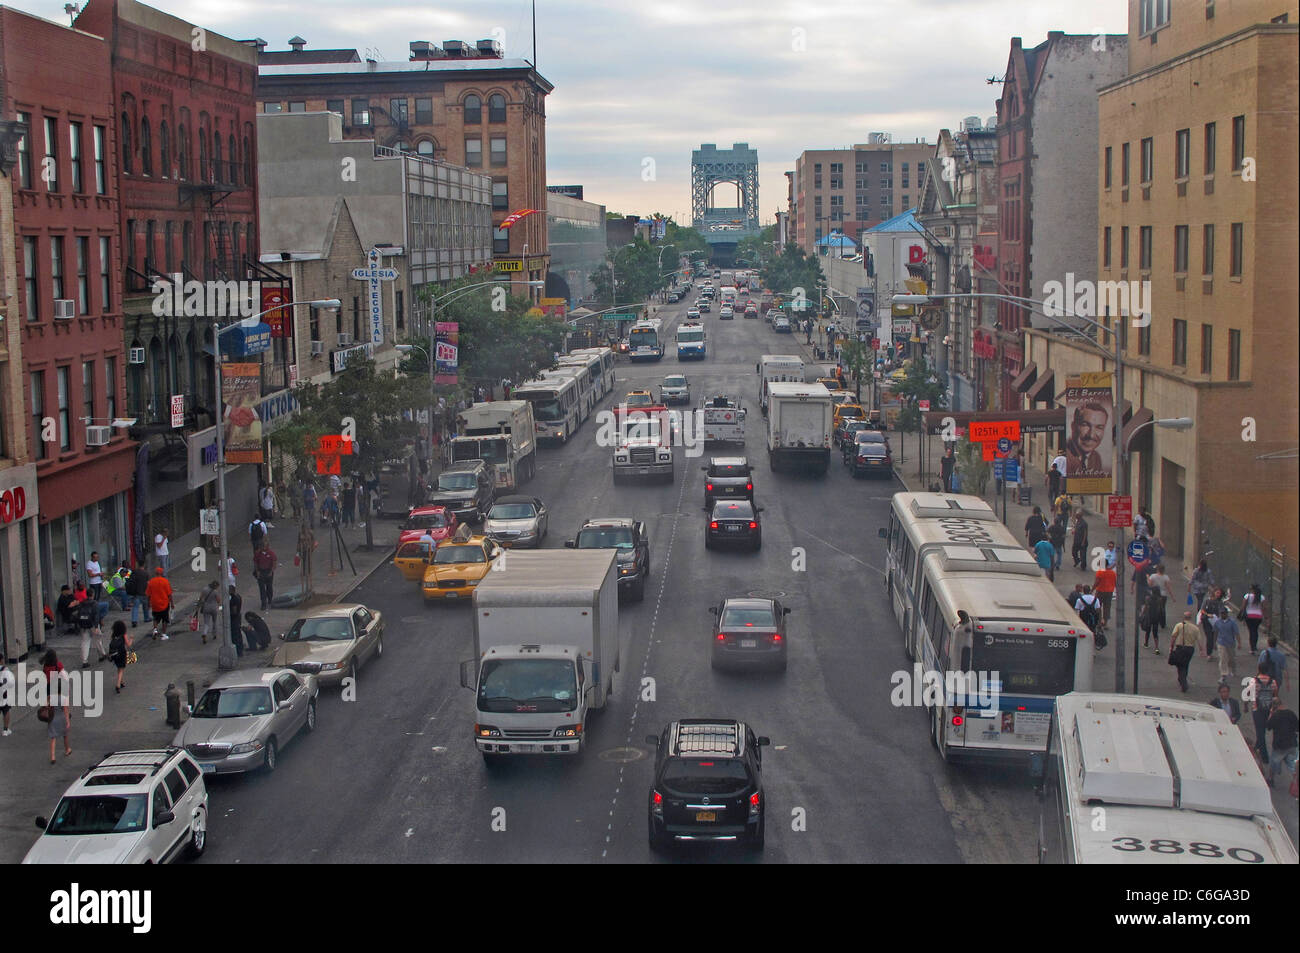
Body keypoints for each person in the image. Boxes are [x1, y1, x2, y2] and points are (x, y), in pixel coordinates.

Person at [42, 649, 72, 763]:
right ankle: (67, 749)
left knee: (52, 704)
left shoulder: (45, 666)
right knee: (64, 705)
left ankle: (53, 756)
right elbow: (64, 675)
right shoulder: (57, 664)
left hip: (50, 686)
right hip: (58, 685)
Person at [1248, 662, 1278, 768]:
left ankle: (1264, 756)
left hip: (1257, 709)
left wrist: (1245, 705)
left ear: (1258, 669)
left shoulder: (1254, 681)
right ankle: (1257, 747)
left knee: (1260, 731)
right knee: (1262, 730)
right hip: (1268, 710)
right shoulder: (1273, 682)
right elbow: (1275, 696)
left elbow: (1248, 693)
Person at [1065, 403, 1108, 476]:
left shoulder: (1095, 457)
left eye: (1099, 427)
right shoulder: (1065, 457)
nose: (1091, 435)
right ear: (1073, 427)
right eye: (1085, 425)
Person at [1265, 697, 1298, 789]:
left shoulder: (1276, 715)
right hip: (1292, 743)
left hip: (1280, 745)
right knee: (1291, 764)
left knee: (1274, 762)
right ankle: (1296, 780)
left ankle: (1271, 779)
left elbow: (1268, 726)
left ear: (1273, 706)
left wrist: (1271, 713)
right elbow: (1297, 727)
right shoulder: (1291, 713)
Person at [72, 583, 107, 668]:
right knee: (98, 640)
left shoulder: (82, 603)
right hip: (92, 625)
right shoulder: (94, 603)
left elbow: (78, 614)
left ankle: (85, 661)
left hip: (84, 625)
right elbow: (96, 615)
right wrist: (96, 626)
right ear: (93, 594)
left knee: (85, 642)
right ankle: (102, 654)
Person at [1168, 611, 1202, 693]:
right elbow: (1199, 640)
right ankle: (1182, 679)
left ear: (1183, 617)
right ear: (1190, 618)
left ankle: (1183, 682)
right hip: (1190, 649)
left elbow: (1173, 637)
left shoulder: (1179, 625)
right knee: (1185, 664)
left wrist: (1171, 647)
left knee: (1180, 665)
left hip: (1180, 648)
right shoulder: (1195, 628)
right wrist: (1202, 650)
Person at [1211, 606, 1240, 684]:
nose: (1222, 615)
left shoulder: (1232, 622)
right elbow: (1215, 632)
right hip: (1221, 643)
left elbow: (1236, 633)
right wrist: (1214, 643)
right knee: (1223, 659)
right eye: (1221, 613)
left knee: (1231, 659)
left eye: (1224, 613)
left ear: (1227, 613)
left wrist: (1239, 643)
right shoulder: (1217, 622)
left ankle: (1233, 669)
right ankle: (1223, 675)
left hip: (1230, 643)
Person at [146, 567, 173, 641]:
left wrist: (148, 603)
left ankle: (155, 629)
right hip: (164, 603)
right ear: (161, 573)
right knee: (164, 619)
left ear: (155, 573)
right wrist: (172, 603)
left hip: (154, 603)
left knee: (155, 618)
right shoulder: (165, 581)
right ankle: (163, 634)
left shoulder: (151, 582)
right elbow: (169, 594)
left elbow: (148, 594)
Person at [1240, 583, 1266, 654]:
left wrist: (1242, 614)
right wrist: (1265, 617)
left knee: (1251, 631)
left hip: (1249, 616)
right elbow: (1264, 608)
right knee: (1255, 630)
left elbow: (1243, 606)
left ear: (1252, 589)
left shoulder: (1247, 596)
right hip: (1258, 616)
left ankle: (1252, 648)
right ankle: (1255, 646)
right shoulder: (1262, 597)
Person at [108, 620, 131, 693]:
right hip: (122, 653)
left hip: (114, 655)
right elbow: (128, 645)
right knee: (121, 669)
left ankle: (122, 682)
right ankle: (118, 684)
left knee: (119, 668)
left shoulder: (113, 635)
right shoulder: (124, 635)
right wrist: (132, 639)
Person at [124, 560, 149, 628]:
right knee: (145, 606)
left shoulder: (134, 572)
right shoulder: (146, 573)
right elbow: (148, 583)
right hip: (143, 592)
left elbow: (126, 578)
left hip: (136, 593)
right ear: (144, 565)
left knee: (135, 607)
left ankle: (134, 620)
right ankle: (146, 618)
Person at [253, 543, 276, 611]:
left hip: (268, 571)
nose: (264, 547)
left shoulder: (271, 553)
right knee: (262, 589)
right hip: (261, 572)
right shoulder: (258, 554)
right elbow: (255, 562)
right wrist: (257, 571)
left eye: (265, 546)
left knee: (269, 587)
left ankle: (270, 600)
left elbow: (274, 562)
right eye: (262, 546)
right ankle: (263, 603)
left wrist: (271, 571)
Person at [1093, 561, 1117, 625]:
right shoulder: (1113, 573)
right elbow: (1116, 583)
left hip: (1100, 591)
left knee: (1098, 606)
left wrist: (1092, 590)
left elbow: (1096, 582)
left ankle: (1099, 620)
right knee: (1107, 607)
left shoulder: (1100, 572)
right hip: (1109, 592)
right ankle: (1105, 622)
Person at [198, 580, 220, 645]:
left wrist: (199, 605)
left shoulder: (204, 589)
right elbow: (218, 600)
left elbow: (200, 598)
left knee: (206, 623)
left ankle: (204, 633)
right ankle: (214, 634)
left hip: (206, 607)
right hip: (214, 608)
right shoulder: (215, 592)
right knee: (215, 621)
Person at [228, 586, 244, 656]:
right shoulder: (238, 596)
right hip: (237, 618)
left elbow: (234, 611)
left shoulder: (234, 599)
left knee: (235, 636)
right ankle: (240, 650)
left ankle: (238, 651)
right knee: (238, 635)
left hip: (234, 619)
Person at [0, 661, 14, 736]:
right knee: (6, 711)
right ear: (1, 660)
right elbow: (10, 682)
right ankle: (5, 730)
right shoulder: (5, 669)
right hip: (4, 694)